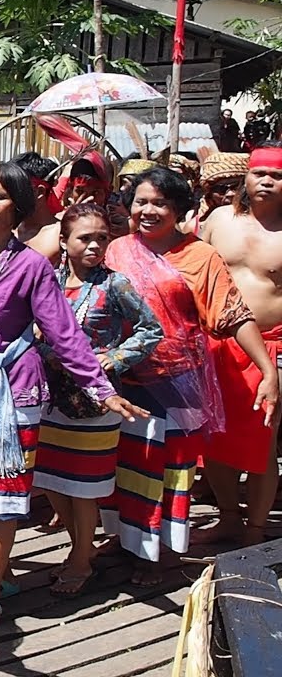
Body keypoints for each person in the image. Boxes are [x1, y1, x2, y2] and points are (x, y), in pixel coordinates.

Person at [0, 163, 143, 631]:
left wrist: (100, 387)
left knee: (3, 495)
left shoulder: (33, 266)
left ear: (18, 205)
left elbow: (64, 335)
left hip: (15, 394)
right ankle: (2, 571)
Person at [100, 167, 278, 586]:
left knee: (170, 471)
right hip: (124, 380)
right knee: (127, 464)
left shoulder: (201, 257)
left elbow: (234, 315)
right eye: (141, 201)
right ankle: (129, 538)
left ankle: (161, 552)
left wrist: (268, 370)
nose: (148, 210)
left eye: (159, 203)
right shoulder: (118, 250)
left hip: (179, 384)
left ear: (179, 209)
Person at [32, 204, 161, 596]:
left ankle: (81, 560)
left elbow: (150, 330)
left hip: (96, 402)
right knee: (52, 480)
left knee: (83, 488)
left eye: (102, 238)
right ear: (64, 241)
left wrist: (115, 357)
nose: (93, 246)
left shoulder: (115, 284)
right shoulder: (45, 281)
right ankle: (80, 549)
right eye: (84, 238)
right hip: (48, 396)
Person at [200, 143, 282, 547]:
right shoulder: (218, 220)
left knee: (263, 439)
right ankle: (229, 516)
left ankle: (256, 528)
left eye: (277, 176)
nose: (266, 181)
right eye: (260, 174)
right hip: (216, 342)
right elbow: (193, 268)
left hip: (272, 346)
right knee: (213, 438)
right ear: (245, 179)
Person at [11, 151, 62, 262]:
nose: (9, 196)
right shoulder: (4, 230)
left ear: (39, 191)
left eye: (16, 189)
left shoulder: (61, 234)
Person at [186, 152, 247, 234]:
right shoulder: (194, 227)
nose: (230, 194)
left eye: (236, 187)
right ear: (209, 192)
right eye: (221, 188)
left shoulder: (262, 224)